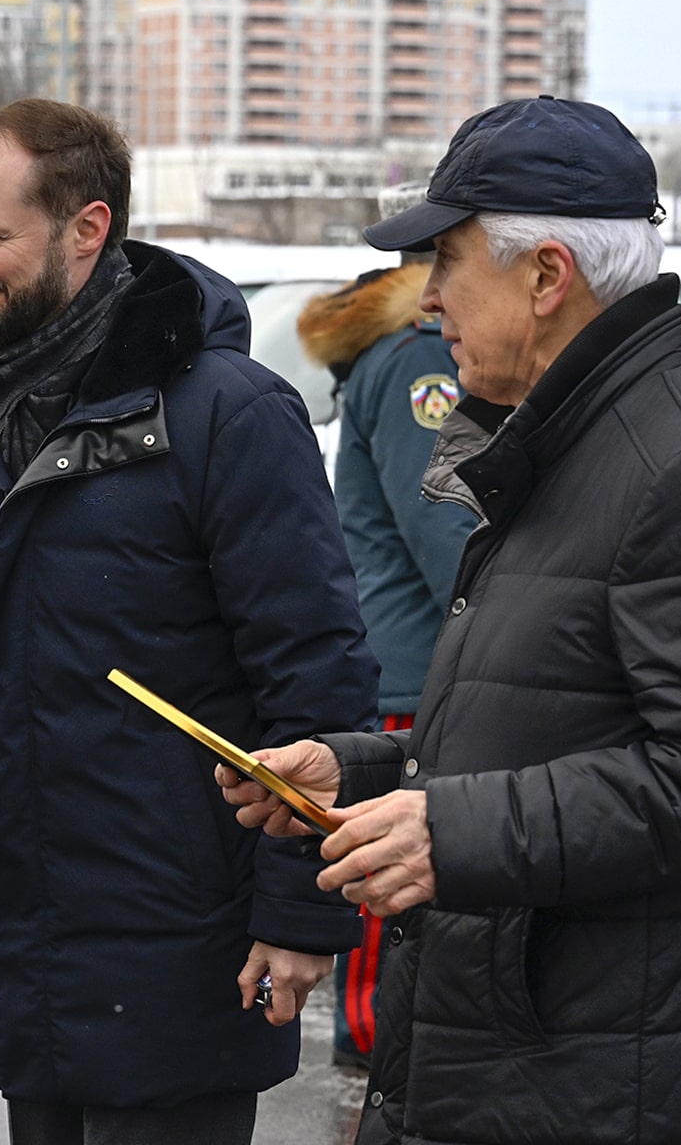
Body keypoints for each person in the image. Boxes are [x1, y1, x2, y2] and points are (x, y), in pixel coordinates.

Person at [223, 96, 681, 1144]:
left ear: (547, 276)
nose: (425, 301)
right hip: (548, 1053)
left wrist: (448, 833)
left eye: (446, 263)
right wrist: (365, 774)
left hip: (617, 1077)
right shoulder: (563, 438)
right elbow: (550, 721)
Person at [0, 98, 377, 1145]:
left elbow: (315, 677)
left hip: (183, 944)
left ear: (85, 229)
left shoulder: (226, 414)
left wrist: (298, 916)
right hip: (18, 927)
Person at [293, 222, 474, 1068]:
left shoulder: (406, 352)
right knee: (389, 930)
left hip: (413, 663)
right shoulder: (418, 364)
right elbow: (449, 536)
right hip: (416, 669)